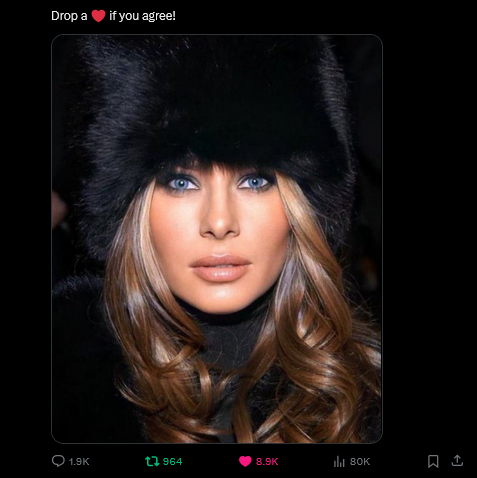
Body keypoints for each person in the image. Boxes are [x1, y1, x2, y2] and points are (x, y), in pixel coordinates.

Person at [52, 35, 381, 443]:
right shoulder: (65, 388)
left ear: (303, 207)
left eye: (255, 180)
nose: (220, 222)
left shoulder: (366, 394)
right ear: (129, 209)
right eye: (180, 181)